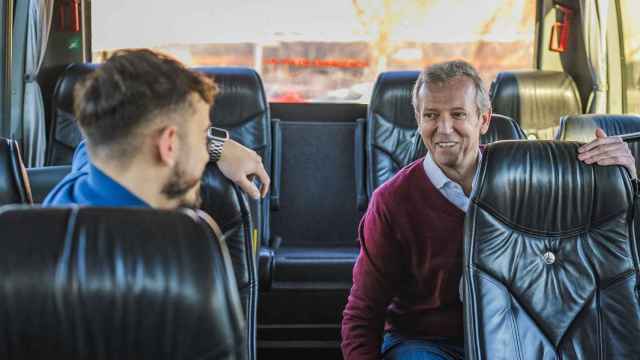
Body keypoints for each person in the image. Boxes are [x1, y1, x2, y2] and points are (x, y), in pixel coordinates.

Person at [340, 60, 636, 360]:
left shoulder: (531, 183)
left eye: (458, 115)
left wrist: (626, 177)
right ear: (418, 119)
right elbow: (363, 312)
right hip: (427, 342)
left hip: (519, 336)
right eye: (431, 115)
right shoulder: (392, 201)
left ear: (483, 119)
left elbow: (613, 239)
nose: (444, 129)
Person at [43, 49, 270, 210]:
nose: (204, 152)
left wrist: (219, 147)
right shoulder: (173, 255)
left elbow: (88, 148)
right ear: (169, 144)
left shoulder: (73, 189)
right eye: (202, 135)